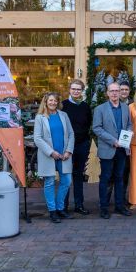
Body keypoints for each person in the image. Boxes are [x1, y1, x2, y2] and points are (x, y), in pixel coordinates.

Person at [92, 82, 132, 218]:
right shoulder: (100, 109)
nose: (115, 93)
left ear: (120, 93)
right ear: (107, 93)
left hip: (122, 150)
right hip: (108, 149)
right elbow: (97, 128)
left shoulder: (126, 108)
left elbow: (129, 125)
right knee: (106, 179)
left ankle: (119, 206)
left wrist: (127, 136)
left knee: (120, 178)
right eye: (112, 91)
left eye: (117, 91)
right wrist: (112, 141)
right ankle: (104, 208)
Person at [32, 92, 74, 224]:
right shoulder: (40, 118)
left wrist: (68, 150)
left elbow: (71, 133)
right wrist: (51, 152)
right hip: (48, 156)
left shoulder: (64, 115)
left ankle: (60, 208)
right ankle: (52, 211)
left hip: (64, 155)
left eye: (55, 101)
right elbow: (37, 138)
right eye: (50, 100)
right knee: (49, 182)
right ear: (45, 101)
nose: (53, 103)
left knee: (66, 181)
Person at [60, 79, 91, 215]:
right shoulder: (63, 106)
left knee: (78, 175)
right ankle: (63, 206)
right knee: (66, 176)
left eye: (78, 89)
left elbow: (88, 123)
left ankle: (79, 205)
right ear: (69, 90)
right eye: (73, 89)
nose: (76, 91)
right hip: (66, 147)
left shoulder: (85, 106)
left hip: (81, 144)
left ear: (82, 90)